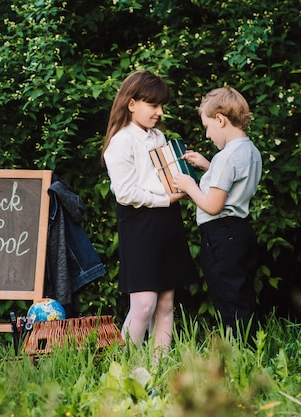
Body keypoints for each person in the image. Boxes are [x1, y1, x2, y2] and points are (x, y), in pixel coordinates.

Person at [101, 70, 196, 356]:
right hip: (139, 224)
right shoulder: (121, 141)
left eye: (161, 106)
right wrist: (166, 199)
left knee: (166, 303)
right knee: (143, 305)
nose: (160, 112)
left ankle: (158, 372)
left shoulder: (159, 137)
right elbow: (126, 194)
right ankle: (123, 373)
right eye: (153, 105)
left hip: (168, 221)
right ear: (132, 104)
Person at [171, 87, 262, 340]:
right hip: (240, 232)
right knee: (241, 295)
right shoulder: (249, 151)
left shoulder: (226, 157)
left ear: (220, 119)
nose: (208, 134)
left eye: (208, 126)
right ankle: (251, 348)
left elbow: (213, 205)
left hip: (220, 235)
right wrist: (207, 166)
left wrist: (189, 186)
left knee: (227, 298)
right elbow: (232, 186)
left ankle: (241, 352)